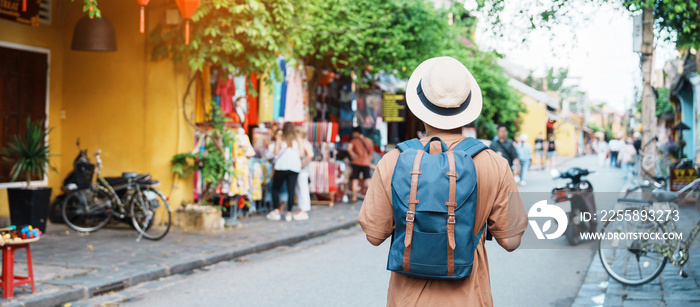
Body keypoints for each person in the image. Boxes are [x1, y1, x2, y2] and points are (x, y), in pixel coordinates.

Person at [358, 56, 528, 306]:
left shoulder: (394, 160)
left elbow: (374, 235)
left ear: (420, 107)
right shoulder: (495, 164)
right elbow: (511, 241)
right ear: (467, 110)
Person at [267, 122, 302, 222]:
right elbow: (301, 154)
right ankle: (289, 213)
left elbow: (275, 152)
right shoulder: (297, 140)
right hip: (294, 167)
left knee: (275, 188)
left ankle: (276, 210)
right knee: (291, 190)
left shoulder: (281, 139)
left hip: (281, 166)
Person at [347, 126, 374, 203]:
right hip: (366, 163)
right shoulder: (369, 141)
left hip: (356, 162)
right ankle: (369, 199)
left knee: (355, 180)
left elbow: (349, 148)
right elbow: (371, 154)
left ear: (356, 132)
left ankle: (354, 198)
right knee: (367, 181)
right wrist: (369, 162)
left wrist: (353, 155)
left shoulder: (354, 141)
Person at [293, 127, 314, 220]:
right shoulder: (302, 142)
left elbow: (310, 154)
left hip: (303, 170)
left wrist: (303, 164)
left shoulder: (304, 143)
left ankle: (304, 210)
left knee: (303, 189)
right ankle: (301, 208)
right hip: (301, 170)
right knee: (300, 189)